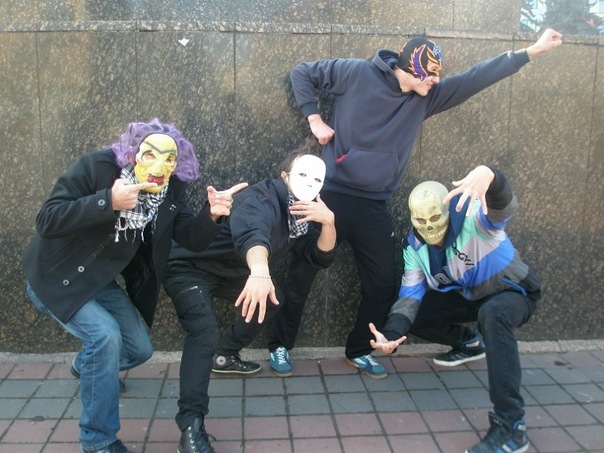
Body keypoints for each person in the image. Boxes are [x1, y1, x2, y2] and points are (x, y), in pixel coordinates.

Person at [267, 29, 562, 379]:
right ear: (409, 69)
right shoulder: (355, 73)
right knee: (302, 272)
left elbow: (475, 77)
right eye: (430, 75)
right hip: (330, 195)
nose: (435, 81)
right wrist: (314, 118)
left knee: (381, 285)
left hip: (374, 204)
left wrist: (531, 51)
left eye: (437, 75)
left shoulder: (425, 97)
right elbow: (302, 72)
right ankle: (280, 344)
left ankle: (359, 350)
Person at [21, 118, 246, 453]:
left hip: (98, 280)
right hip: (55, 276)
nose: (159, 166)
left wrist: (212, 215)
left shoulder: (169, 189)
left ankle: (86, 366)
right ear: (132, 153)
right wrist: (107, 202)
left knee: (139, 349)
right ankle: (98, 441)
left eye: (169, 159)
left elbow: (190, 238)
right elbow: (47, 219)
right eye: (150, 155)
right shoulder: (97, 168)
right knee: (105, 337)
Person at [162, 141, 337, 453]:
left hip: (231, 272)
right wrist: (259, 271)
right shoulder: (261, 198)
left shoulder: (303, 212)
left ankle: (225, 354)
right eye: (302, 175)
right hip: (188, 266)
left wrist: (329, 222)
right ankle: (191, 427)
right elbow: (252, 232)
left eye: (317, 179)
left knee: (273, 299)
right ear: (284, 176)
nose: (310, 183)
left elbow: (319, 257)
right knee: (203, 329)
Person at [370, 164, 541, 453]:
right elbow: (409, 297)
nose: (429, 227)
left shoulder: (475, 219)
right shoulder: (414, 247)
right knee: (410, 314)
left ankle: (512, 427)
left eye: (435, 217)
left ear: (447, 212)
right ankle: (468, 343)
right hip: (470, 296)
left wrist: (492, 177)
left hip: (512, 292)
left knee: (493, 314)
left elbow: (504, 207)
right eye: (421, 220)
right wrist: (391, 335)